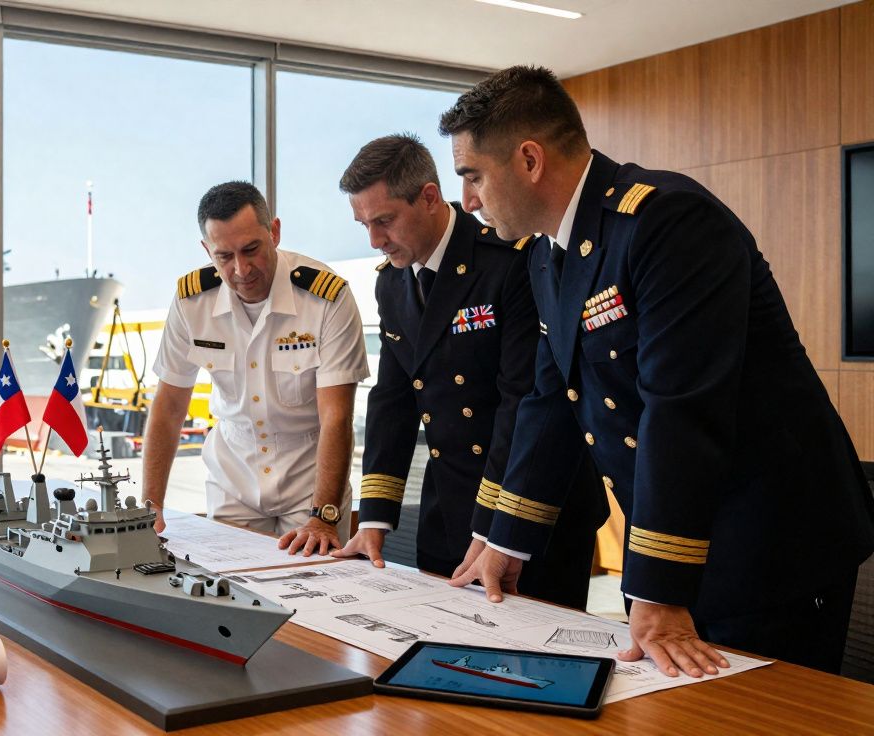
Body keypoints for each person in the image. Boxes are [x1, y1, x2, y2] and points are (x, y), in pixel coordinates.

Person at [442, 65, 874, 677]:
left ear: (530, 159)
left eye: (473, 176)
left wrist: (661, 590)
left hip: (769, 540)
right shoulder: (547, 252)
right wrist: (504, 542)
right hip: (674, 537)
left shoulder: (667, 222)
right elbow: (550, 397)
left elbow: (682, 408)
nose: (469, 201)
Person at [331, 133, 606, 611]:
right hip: (448, 509)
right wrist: (373, 519)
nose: (375, 241)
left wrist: (492, 527)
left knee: (539, 664)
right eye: (365, 225)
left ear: (430, 197)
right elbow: (393, 401)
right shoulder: (393, 283)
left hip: (528, 507)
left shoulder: (510, 260)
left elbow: (522, 398)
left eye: (384, 221)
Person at [143, 181, 369, 555]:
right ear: (206, 250)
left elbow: (336, 416)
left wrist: (323, 514)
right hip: (233, 479)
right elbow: (168, 408)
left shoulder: (326, 298)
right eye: (224, 256)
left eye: (251, 250)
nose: (241, 269)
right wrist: (150, 504)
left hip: (309, 481)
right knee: (231, 594)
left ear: (274, 232)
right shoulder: (191, 302)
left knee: (312, 593)